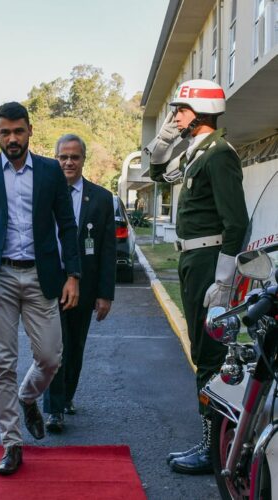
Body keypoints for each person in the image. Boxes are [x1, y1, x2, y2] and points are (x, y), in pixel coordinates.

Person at [0, 102, 81, 475]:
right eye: (5, 132)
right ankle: (11, 442)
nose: (12, 138)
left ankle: (28, 398)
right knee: (3, 364)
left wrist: (73, 275)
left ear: (30, 130)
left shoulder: (48, 171)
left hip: (43, 276)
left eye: (18, 131)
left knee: (50, 357)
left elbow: (67, 225)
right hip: (1, 278)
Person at [147, 79, 249, 474]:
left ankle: (215, 448)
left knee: (209, 357)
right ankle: (212, 442)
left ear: (201, 111)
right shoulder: (196, 154)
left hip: (210, 261)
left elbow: (236, 223)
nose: (175, 116)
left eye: (181, 110)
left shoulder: (219, 154)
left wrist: (224, 281)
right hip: (193, 261)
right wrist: (163, 141)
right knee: (201, 352)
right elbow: (158, 174)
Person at [43, 134, 117, 433]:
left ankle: (67, 396)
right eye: (63, 157)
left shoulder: (100, 198)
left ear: (83, 160)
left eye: (74, 157)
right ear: (56, 158)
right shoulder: (44, 193)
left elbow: (107, 249)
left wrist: (105, 294)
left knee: (76, 346)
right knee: (54, 347)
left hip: (84, 285)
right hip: (51, 282)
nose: (68, 162)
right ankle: (54, 408)